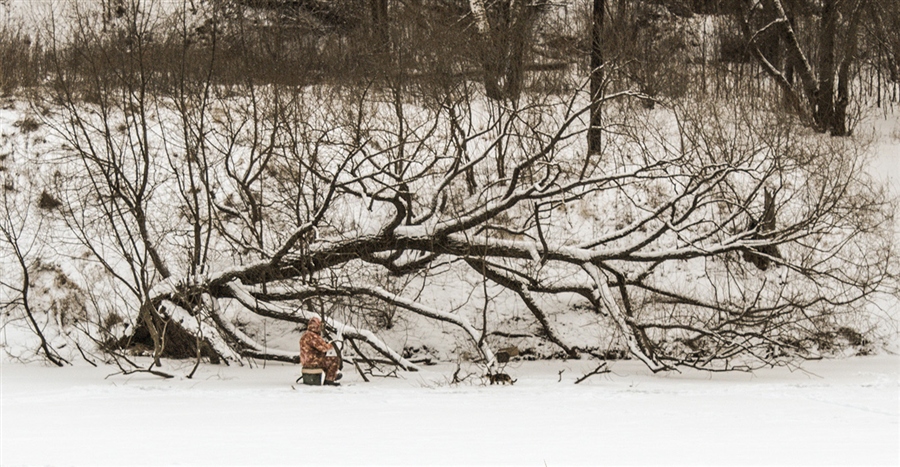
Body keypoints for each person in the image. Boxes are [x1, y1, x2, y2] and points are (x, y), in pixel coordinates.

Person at [299, 317, 342, 386]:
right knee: (334, 360)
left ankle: (331, 375)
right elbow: (323, 348)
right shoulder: (313, 336)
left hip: (306, 362)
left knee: (325, 361)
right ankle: (329, 380)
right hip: (313, 361)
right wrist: (332, 345)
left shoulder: (305, 335)